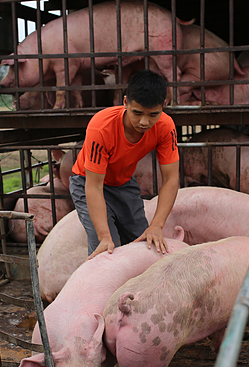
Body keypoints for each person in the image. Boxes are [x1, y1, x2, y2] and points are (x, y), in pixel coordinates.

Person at [69, 69, 180, 260]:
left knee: (142, 241)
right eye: (137, 113)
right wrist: (104, 236)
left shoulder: (165, 126)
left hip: (123, 183)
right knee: (106, 250)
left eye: (153, 114)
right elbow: (94, 186)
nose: (144, 122)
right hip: (88, 182)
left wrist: (157, 225)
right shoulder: (101, 126)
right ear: (125, 102)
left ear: (164, 106)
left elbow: (171, 179)